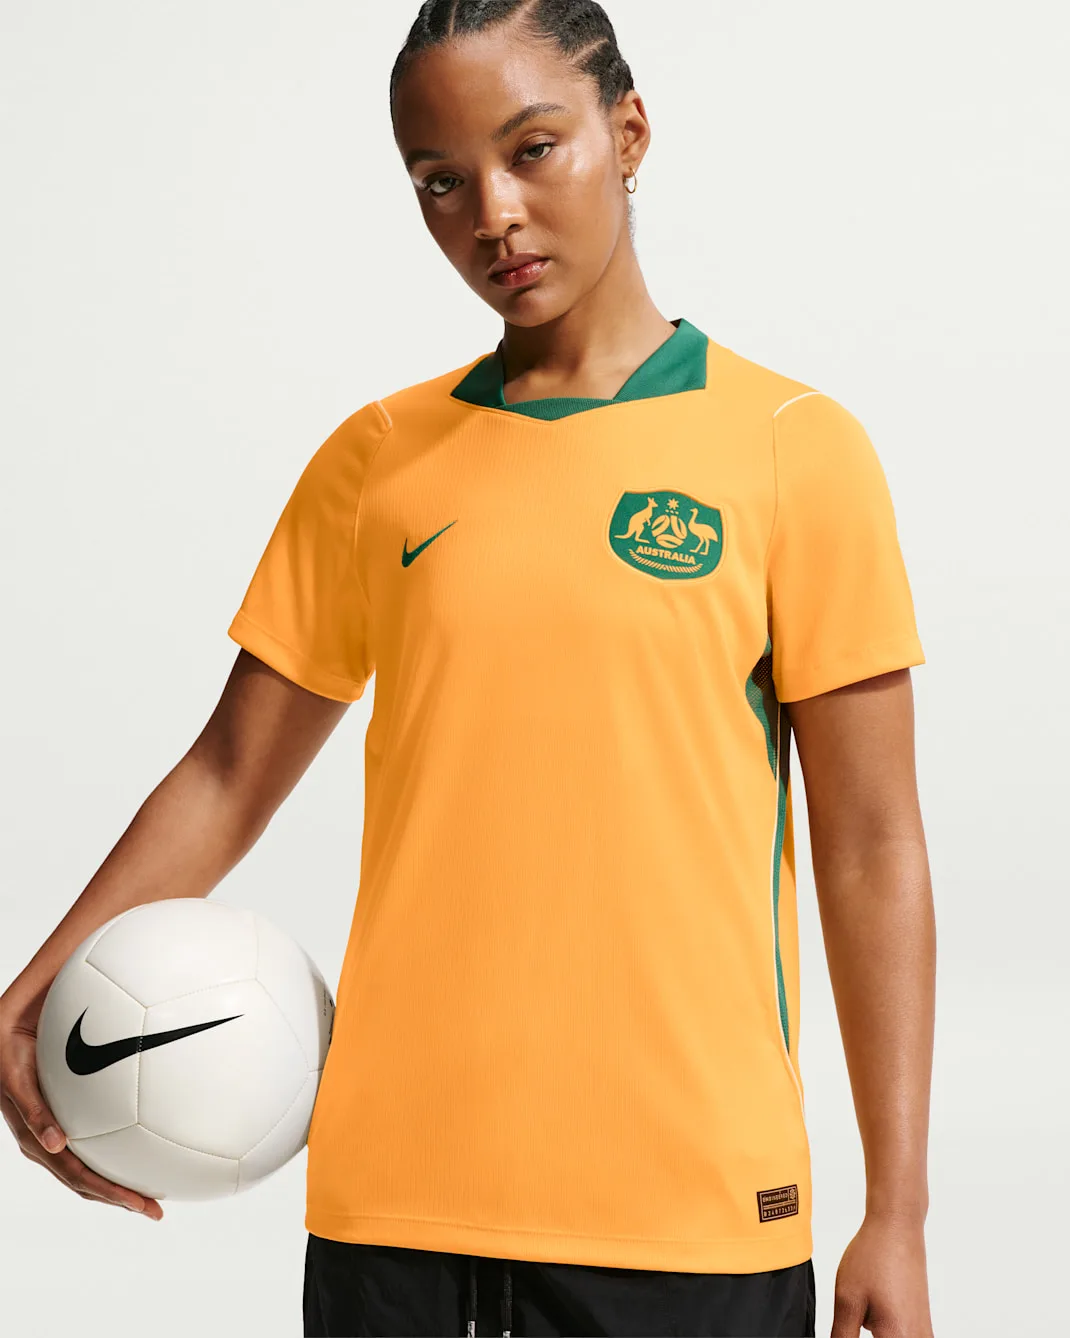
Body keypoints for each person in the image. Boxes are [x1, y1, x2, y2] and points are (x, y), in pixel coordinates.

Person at [0, 2, 937, 1335]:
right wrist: (36, 991)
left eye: (532, 150)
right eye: (439, 181)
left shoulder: (793, 449)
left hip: (689, 1214)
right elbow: (228, 775)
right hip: (394, 1216)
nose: (491, 213)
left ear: (629, 132)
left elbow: (872, 844)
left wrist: (897, 1208)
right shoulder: (377, 461)